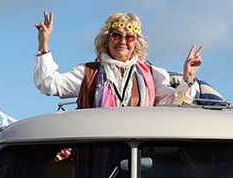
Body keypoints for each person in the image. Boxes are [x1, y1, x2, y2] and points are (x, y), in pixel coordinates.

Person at [33, 11, 203, 108]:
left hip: (138, 153)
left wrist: (187, 79)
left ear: (136, 43)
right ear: (107, 40)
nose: (122, 41)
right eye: (116, 35)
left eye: (129, 37)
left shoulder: (151, 75)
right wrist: (43, 45)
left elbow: (175, 102)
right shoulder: (89, 73)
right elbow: (48, 84)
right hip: (98, 153)